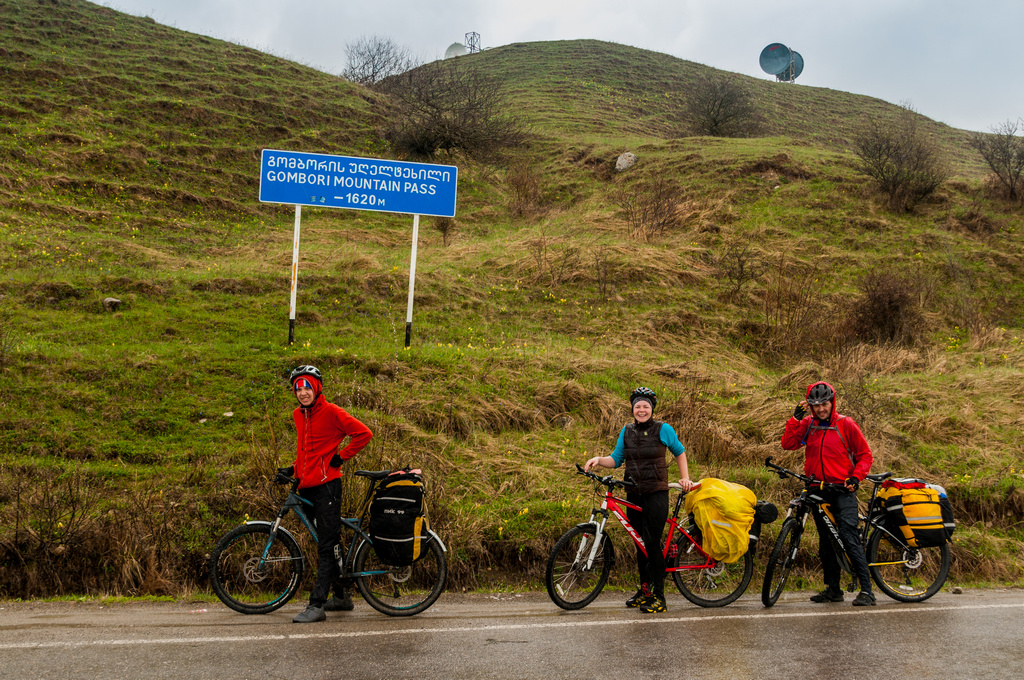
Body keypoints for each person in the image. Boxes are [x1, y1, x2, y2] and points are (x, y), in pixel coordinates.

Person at [584, 386, 697, 613]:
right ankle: (645, 590)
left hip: (656, 493)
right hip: (633, 493)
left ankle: (660, 598)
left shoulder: (663, 429)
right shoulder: (626, 431)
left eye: (646, 406)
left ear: (652, 408)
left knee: (651, 543)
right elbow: (616, 459)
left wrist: (685, 478)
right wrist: (598, 459)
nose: (642, 410)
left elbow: (680, 452)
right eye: (638, 406)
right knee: (640, 544)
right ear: (632, 409)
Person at [276, 365, 373, 623]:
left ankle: (317, 604)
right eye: (298, 388)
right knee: (329, 540)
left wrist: (340, 458)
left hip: (327, 486)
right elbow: (306, 451)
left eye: (307, 386)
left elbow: (364, 434)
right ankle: (341, 596)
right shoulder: (299, 415)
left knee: (326, 545)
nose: (303, 392)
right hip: (307, 485)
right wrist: (293, 470)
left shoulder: (331, 412)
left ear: (317, 388)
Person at [781, 381, 876, 606]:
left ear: (833, 403)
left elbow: (865, 455)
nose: (821, 409)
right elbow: (788, 444)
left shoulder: (846, 424)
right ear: (810, 407)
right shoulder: (808, 424)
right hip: (818, 489)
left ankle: (867, 591)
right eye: (816, 405)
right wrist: (794, 420)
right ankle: (834, 589)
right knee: (826, 542)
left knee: (847, 535)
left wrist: (856, 477)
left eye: (825, 404)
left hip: (842, 490)